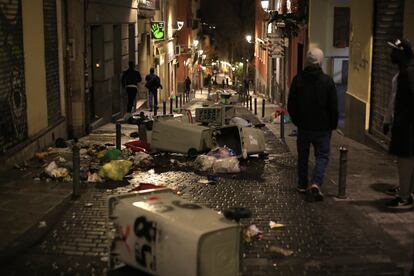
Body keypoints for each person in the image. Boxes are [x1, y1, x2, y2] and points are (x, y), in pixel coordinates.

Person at [287, 48, 338, 201]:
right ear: (320, 61)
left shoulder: (298, 79)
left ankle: (302, 184)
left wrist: (298, 121)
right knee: (322, 156)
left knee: (303, 156)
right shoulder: (327, 81)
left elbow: (291, 104)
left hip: (304, 127)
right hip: (323, 127)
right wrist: (332, 124)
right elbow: (333, 106)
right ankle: (316, 183)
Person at [384, 38, 414, 209]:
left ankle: (404, 198)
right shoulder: (405, 71)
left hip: (407, 127)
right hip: (406, 125)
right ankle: (407, 194)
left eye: (394, 51)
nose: (391, 54)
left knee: (405, 162)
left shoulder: (407, 73)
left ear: (401, 53)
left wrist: (400, 122)